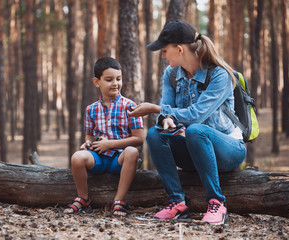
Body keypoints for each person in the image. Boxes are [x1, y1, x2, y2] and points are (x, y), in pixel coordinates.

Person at [128, 21, 247, 225]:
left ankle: (216, 203)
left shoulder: (219, 74)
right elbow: (167, 108)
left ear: (180, 49)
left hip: (229, 150)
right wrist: (165, 119)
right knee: (154, 135)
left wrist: (156, 109)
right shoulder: (172, 75)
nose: (163, 56)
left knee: (196, 130)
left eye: (165, 51)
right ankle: (177, 202)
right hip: (195, 149)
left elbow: (195, 116)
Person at [64, 57, 144, 217]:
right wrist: (87, 143)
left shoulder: (130, 106)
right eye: (109, 80)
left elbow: (139, 139)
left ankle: (119, 201)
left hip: (119, 160)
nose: (115, 83)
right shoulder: (90, 110)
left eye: (118, 79)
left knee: (132, 152)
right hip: (99, 159)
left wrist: (110, 144)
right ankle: (83, 198)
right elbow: (89, 135)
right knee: (77, 157)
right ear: (97, 82)